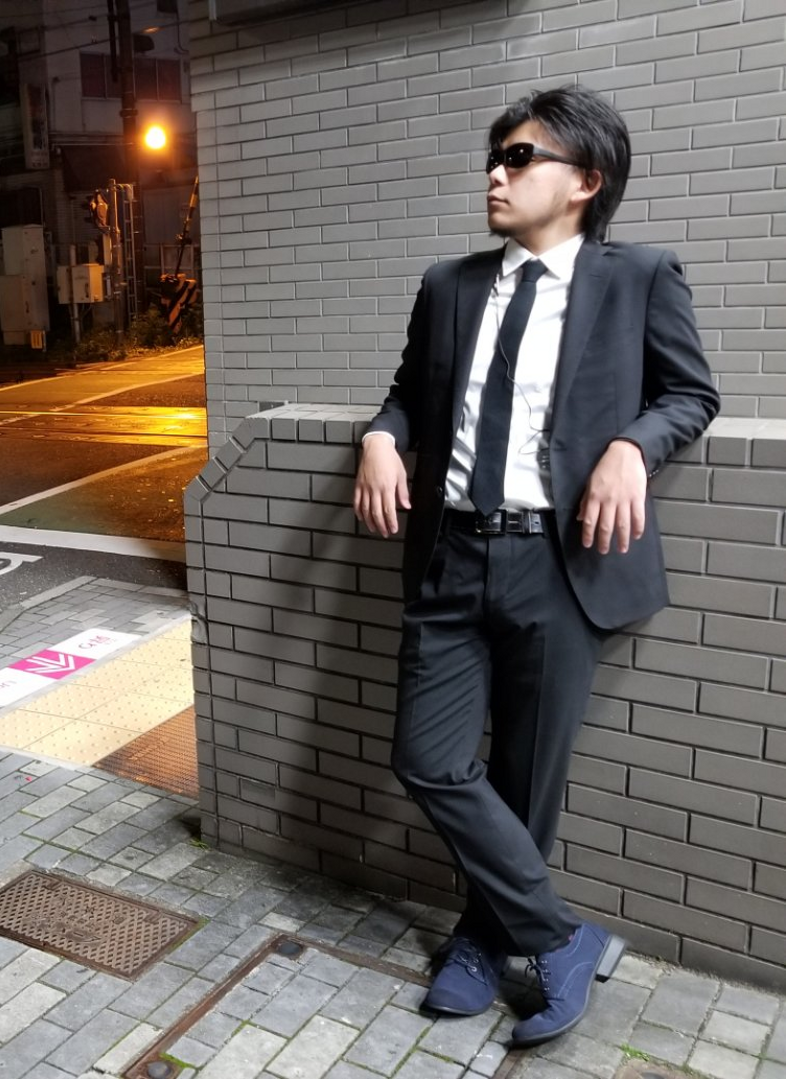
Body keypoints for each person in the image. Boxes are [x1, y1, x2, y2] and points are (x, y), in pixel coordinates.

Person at [352, 85, 719, 1047]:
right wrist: (382, 438)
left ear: (585, 180)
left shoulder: (638, 277)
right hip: (451, 553)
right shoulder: (450, 285)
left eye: (519, 158)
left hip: (561, 564)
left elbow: (690, 393)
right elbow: (407, 394)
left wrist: (633, 445)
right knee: (427, 758)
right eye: (496, 156)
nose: (495, 173)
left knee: (525, 778)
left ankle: (483, 940)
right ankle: (558, 937)